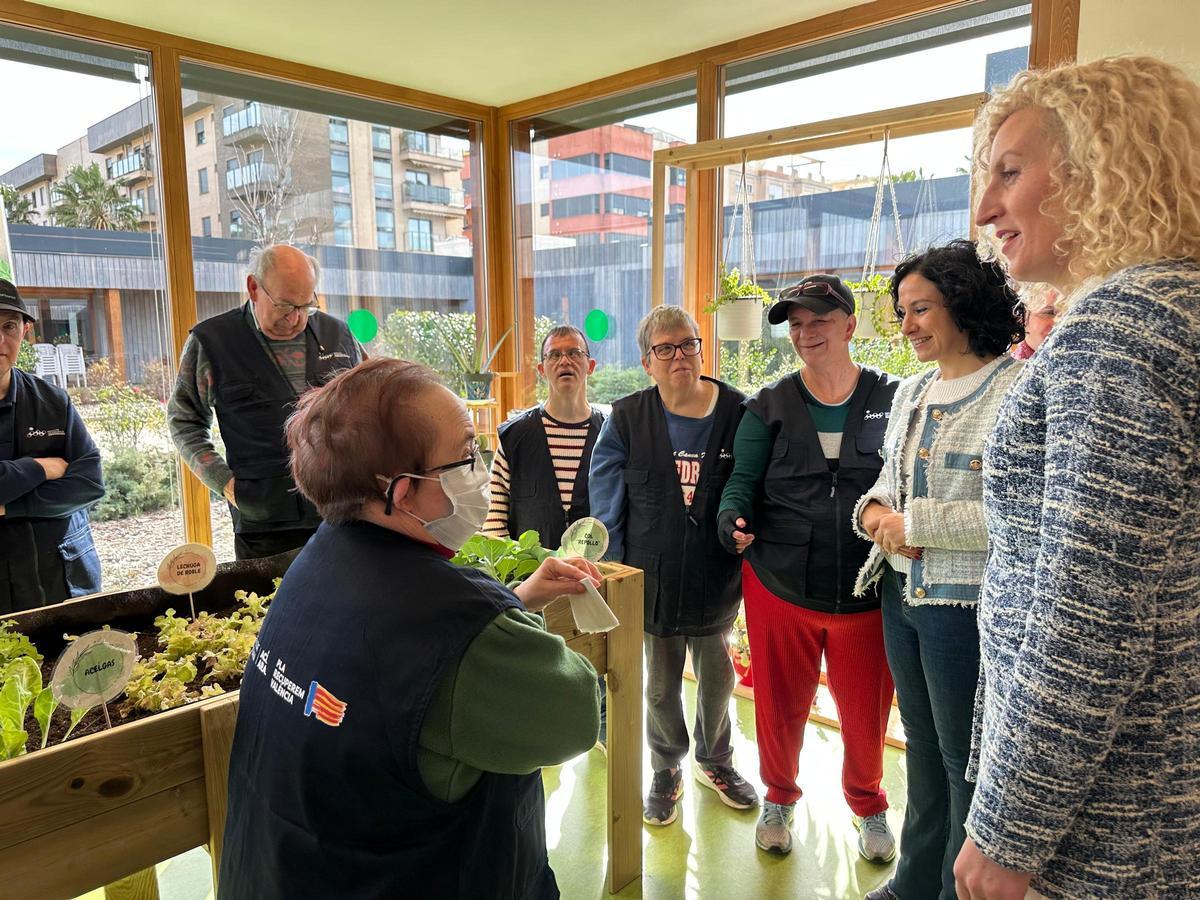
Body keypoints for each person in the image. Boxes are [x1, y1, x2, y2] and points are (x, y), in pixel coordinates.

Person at [955, 56, 1200, 900]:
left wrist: (1008, 829)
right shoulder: (1180, 309)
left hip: (1111, 819)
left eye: (1010, 173)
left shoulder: (1120, 331)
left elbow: (1088, 613)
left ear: (1100, 167)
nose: (985, 209)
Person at [219, 358, 601, 899]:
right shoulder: (448, 621)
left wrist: (510, 602)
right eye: (465, 455)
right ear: (402, 491)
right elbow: (576, 716)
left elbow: (403, 669)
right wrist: (496, 619)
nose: (480, 470)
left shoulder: (318, 562)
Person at [852, 241, 1024, 900]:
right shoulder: (913, 391)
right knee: (921, 748)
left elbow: (1021, 513)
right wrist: (874, 514)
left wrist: (914, 525)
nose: (907, 327)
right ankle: (913, 882)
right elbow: (886, 483)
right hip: (900, 596)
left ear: (962, 304)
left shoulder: (1015, 390)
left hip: (965, 610)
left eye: (920, 309)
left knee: (963, 763)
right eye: (903, 312)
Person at [717, 274, 899, 859]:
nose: (806, 332)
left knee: (866, 710)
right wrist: (731, 518)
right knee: (778, 703)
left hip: (868, 589)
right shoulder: (767, 405)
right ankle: (778, 797)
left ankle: (868, 805)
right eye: (796, 324)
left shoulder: (896, 399)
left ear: (850, 325)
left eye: (819, 320)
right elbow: (742, 482)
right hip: (780, 583)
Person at [590, 305, 757, 827]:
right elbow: (606, 498)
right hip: (652, 579)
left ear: (701, 349)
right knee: (660, 685)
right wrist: (613, 569)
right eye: (665, 349)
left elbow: (754, 483)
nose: (679, 355)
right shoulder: (626, 418)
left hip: (715, 575)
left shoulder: (739, 411)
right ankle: (666, 767)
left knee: (718, 678)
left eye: (688, 344)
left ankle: (716, 759)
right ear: (647, 362)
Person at [168, 243, 362, 560]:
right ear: (253, 287)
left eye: (305, 306)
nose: (295, 318)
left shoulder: (338, 334)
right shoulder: (211, 342)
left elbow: (369, 408)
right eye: (285, 305)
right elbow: (184, 421)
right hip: (264, 523)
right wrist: (225, 484)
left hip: (341, 514)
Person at [0, 278, 103, 612]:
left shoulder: (52, 401)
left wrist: (9, 506)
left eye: (9, 326)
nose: (0, 341)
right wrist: (38, 468)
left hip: (64, 580)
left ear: (25, 331)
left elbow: (89, 482)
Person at [483, 324, 605, 547]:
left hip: (594, 567)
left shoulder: (609, 435)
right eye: (554, 355)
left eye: (574, 353)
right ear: (541, 369)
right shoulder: (514, 437)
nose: (565, 361)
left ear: (590, 366)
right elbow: (494, 520)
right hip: (529, 567)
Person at [1009, 285, 1059, 358]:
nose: (1060, 321)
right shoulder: (1018, 364)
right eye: (1049, 313)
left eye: (1070, 313)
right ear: (1021, 319)